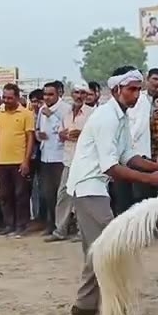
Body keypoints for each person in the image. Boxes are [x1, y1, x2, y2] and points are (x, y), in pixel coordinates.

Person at [65, 67, 158, 315]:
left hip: (95, 187)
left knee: (99, 247)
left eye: (138, 90)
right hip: (88, 186)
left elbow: (128, 155)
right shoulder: (107, 118)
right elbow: (111, 166)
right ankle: (115, 304)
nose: (136, 95)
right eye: (131, 89)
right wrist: (150, 178)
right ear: (116, 90)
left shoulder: (119, 117)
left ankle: (85, 303)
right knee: (114, 244)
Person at [48, 82, 93, 242]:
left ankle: (83, 231)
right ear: (72, 94)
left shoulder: (91, 113)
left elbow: (95, 135)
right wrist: (65, 135)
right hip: (68, 159)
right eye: (76, 93)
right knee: (64, 195)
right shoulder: (67, 113)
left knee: (82, 197)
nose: (79, 96)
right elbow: (60, 134)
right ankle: (60, 230)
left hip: (85, 160)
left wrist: (81, 134)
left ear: (87, 95)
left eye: (82, 93)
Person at [0, 83, 36, 237]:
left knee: (20, 194)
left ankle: (21, 226)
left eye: (10, 98)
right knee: (4, 195)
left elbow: (30, 138)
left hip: (19, 161)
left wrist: (26, 161)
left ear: (17, 97)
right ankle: (9, 225)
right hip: (1, 161)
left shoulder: (26, 114)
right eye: (4, 97)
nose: (6, 100)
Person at [35, 82, 66, 236]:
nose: (47, 97)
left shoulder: (65, 109)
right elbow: (38, 129)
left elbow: (65, 130)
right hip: (46, 155)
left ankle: (63, 225)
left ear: (58, 94)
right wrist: (38, 135)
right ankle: (51, 223)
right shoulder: (42, 109)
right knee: (48, 193)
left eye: (50, 94)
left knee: (61, 194)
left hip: (60, 157)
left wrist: (53, 116)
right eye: (45, 95)